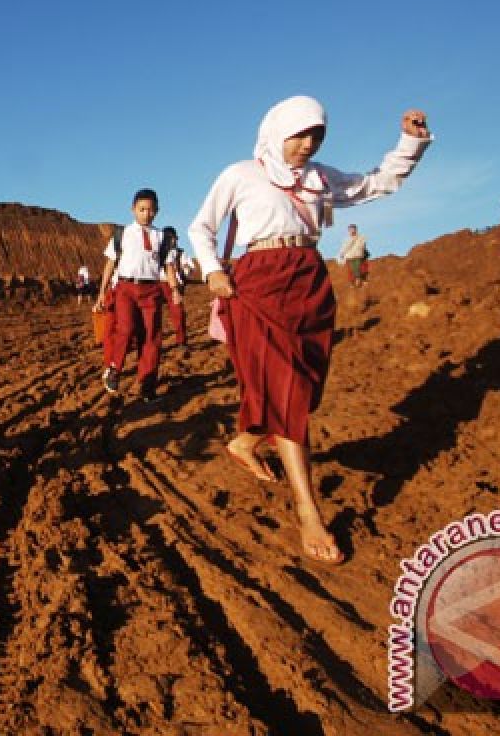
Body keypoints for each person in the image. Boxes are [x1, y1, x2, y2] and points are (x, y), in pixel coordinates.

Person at [188, 96, 432, 564]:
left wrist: (410, 145)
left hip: (310, 282)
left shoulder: (319, 178)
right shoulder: (242, 173)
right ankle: (308, 511)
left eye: (315, 135)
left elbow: (375, 184)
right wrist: (213, 270)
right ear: (277, 132)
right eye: (299, 134)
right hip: (259, 283)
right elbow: (202, 226)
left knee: (304, 387)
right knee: (288, 394)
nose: (307, 144)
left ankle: (245, 441)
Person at [92, 188, 182, 401]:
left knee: (152, 337)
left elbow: (169, 266)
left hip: (151, 290)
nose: (146, 214)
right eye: (142, 209)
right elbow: (110, 264)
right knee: (126, 328)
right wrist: (101, 293)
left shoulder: (163, 238)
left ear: (157, 211)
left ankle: (147, 386)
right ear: (133, 210)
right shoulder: (122, 234)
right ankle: (114, 369)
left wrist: (175, 289)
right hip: (125, 288)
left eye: (151, 210)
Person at [160, 227, 189, 349]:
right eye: (167, 238)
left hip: (174, 285)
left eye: (171, 238)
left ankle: (181, 341)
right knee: (153, 315)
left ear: (176, 239)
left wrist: (181, 274)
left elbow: (188, 269)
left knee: (178, 313)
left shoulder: (181, 253)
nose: (170, 240)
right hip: (158, 284)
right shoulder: (159, 252)